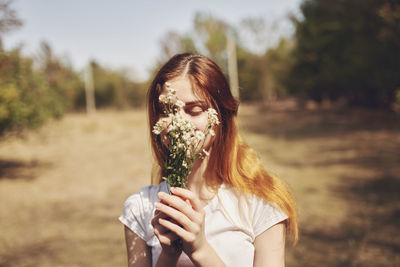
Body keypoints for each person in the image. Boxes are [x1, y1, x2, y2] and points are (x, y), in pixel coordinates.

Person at [119, 53, 298, 267]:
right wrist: (169, 254)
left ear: (220, 119)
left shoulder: (262, 203)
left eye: (193, 110)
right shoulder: (140, 207)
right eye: (167, 111)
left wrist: (200, 250)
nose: (179, 122)